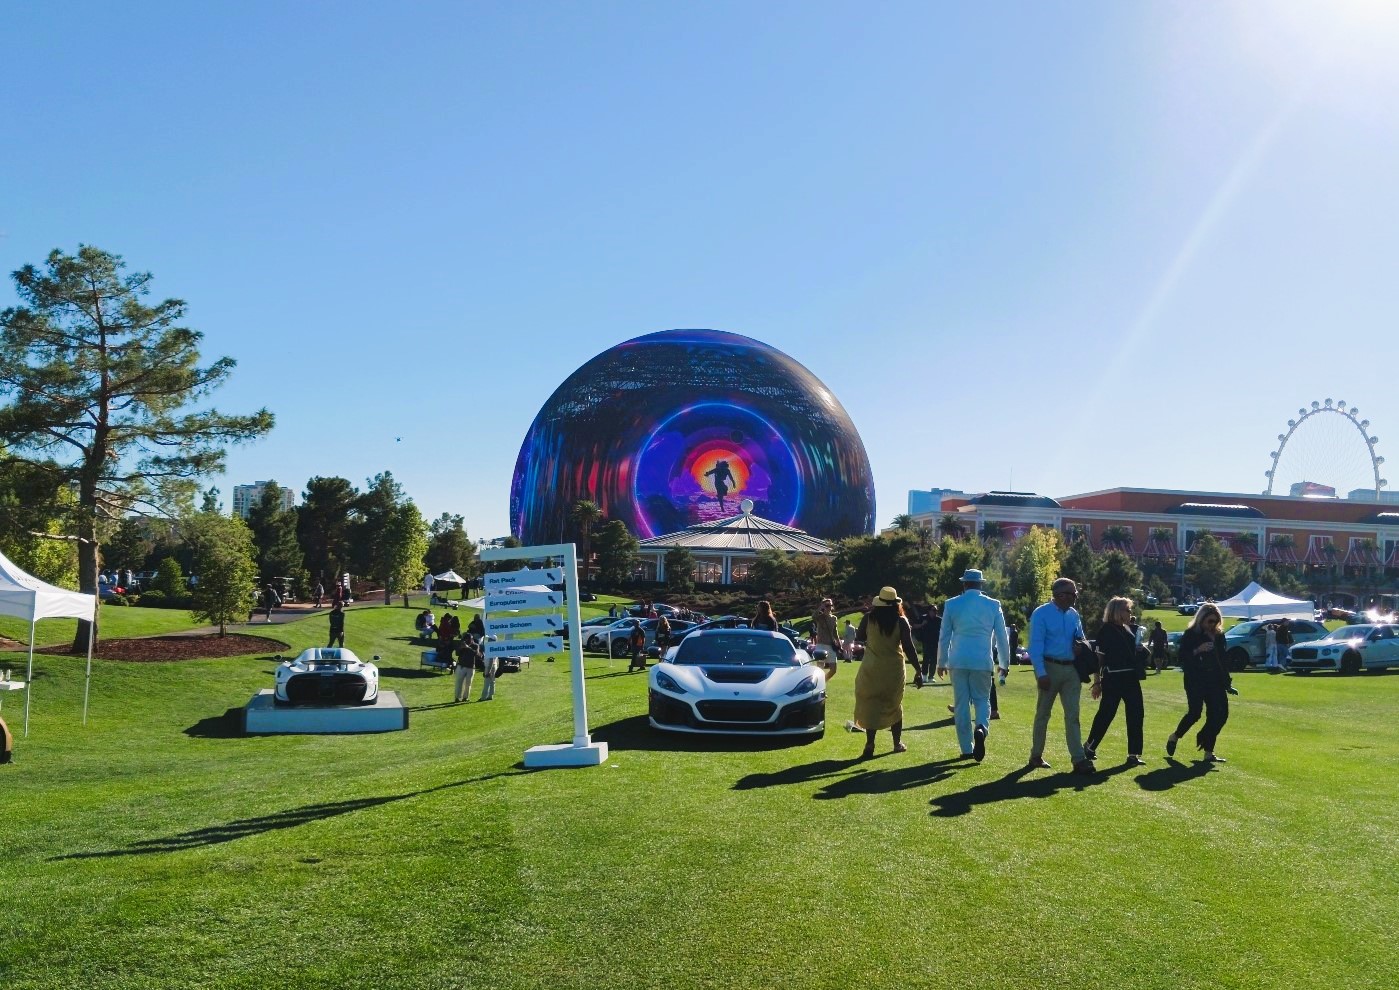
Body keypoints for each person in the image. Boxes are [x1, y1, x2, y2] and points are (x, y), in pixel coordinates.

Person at [937, 569, 1010, 762]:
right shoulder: (993, 605)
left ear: (964, 584)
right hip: (982, 661)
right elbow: (1002, 638)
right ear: (981, 584)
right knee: (982, 700)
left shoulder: (951, 604)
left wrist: (941, 661)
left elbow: (944, 636)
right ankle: (981, 728)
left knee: (961, 704)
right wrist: (1004, 663)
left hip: (958, 660)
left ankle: (966, 748)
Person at [1028, 577, 1095, 774]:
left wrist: (1081, 646)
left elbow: (1081, 637)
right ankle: (1036, 755)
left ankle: (1078, 759)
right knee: (1043, 714)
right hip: (1049, 667)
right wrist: (1041, 673)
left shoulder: (1073, 614)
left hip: (1071, 670)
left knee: (1073, 715)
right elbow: (1035, 646)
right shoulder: (1041, 613)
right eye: (1073, 594)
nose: (1076, 597)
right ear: (1060, 595)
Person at [851, 586, 920, 759]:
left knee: (871, 706)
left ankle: (870, 743)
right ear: (896, 603)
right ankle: (897, 743)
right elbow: (909, 647)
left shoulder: (869, 618)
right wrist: (918, 670)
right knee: (894, 705)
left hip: (871, 668)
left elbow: (859, 637)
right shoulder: (901, 621)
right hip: (893, 670)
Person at [1166, 603, 1235, 763]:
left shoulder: (1219, 635)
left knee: (1220, 714)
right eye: (1210, 621)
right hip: (1195, 679)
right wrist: (1198, 650)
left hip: (1216, 680)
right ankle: (1175, 736)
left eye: (1216, 621)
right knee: (1195, 713)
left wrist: (1227, 682)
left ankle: (1208, 751)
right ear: (1201, 619)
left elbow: (1222, 660)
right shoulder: (1191, 634)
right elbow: (1182, 658)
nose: (1213, 624)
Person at [1084, 597, 1147, 767]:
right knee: (1106, 714)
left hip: (1131, 677)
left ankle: (1133, 754)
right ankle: (1090, 746)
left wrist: (1140, 649)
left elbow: (1133, 654)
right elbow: (1099, 659)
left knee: (1136, 714)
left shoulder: (1129, 630)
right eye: (1127, 610)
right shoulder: (1106, 630)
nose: (1130, 613)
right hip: (1113, 677)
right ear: (1117, 611)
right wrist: (1097, 682)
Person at [914, 603, 942, 682]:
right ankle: (924, 676)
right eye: (933, 610)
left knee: (934, 660)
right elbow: (914, 626)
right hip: (926, 641)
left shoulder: (939, 620)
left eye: (936, 610)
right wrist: (922, 624)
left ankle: (931, 677)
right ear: (929, 611)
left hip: (935, 642)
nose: (935, 612)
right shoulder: (923, 618)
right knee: (926, 659)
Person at [454, 634, 481, 702]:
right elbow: (457, 653)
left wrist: (468, 647)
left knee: (468, 684)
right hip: (461, 666)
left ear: (471, 639)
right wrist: (461, 648)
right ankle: (457, 697)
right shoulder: (461, 644)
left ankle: (465, 697)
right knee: (459, 683)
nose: (466, 641)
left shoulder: (476, 645)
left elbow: (476, 654)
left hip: (471, 667)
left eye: (468, 640)